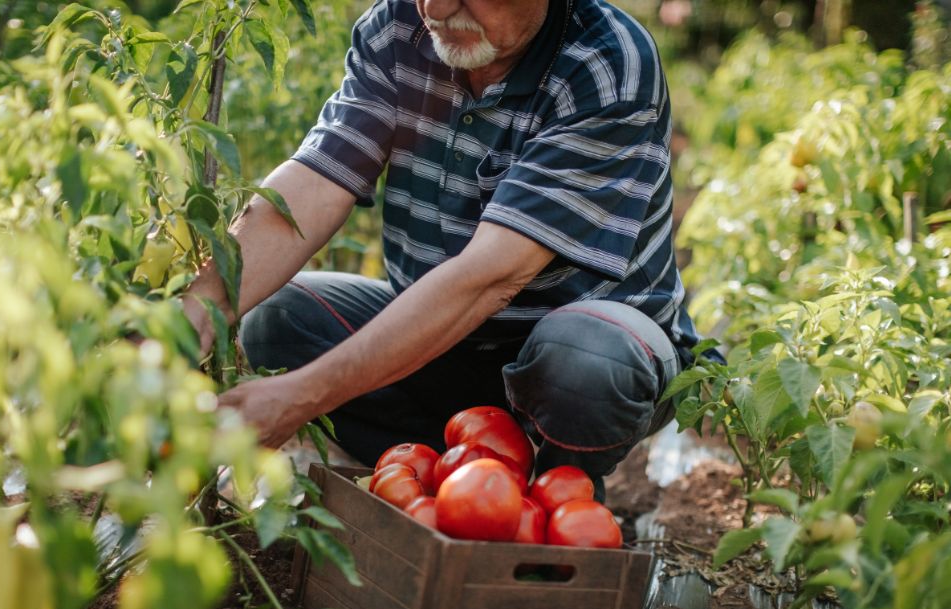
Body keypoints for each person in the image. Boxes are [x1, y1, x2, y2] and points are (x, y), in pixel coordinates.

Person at [183, 0, 710, 502]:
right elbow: (317, 181)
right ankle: (455, 479)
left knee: (586, 364)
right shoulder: (399, 28)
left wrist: (301, 397)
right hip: (443, 344)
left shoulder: (605, 65)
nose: (434, 10)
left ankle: (555, 496)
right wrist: (190, 317)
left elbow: (490, 277)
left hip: (575, 358)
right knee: (282, 320)